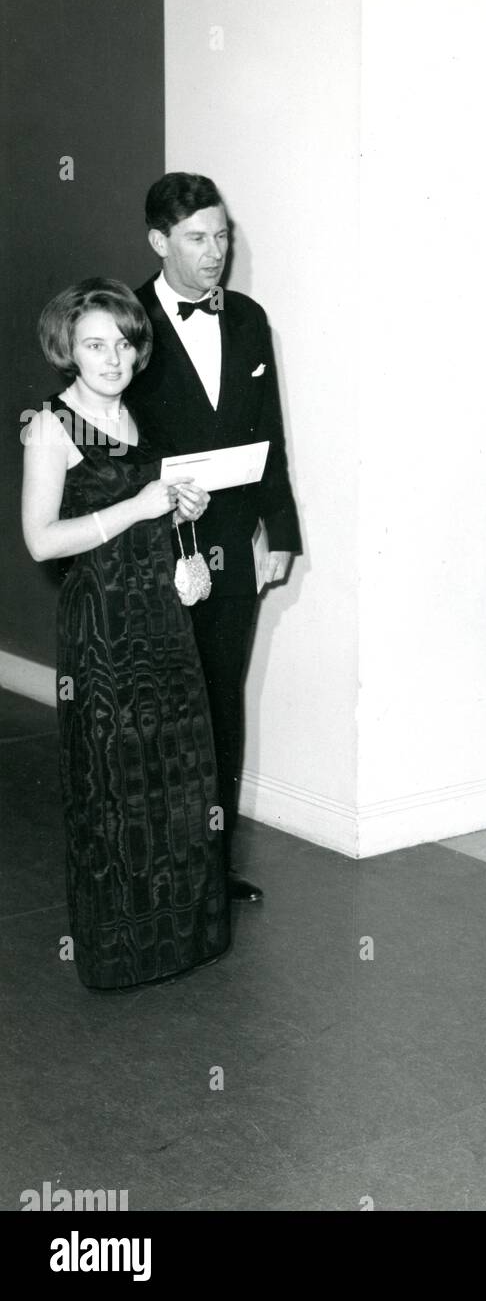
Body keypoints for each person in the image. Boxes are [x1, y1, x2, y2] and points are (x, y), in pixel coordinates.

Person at [21, 279, 229, 990]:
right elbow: (42, 542)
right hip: (103, 625)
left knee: (177, 774)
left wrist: (177, 510)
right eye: (93, 344)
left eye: (123, 343)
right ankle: (120, 952)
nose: (112, 358)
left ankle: (180, 940)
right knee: (113, 785)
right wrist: (137, 506)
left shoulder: (140, 418)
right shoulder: (51, 425)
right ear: (67, 349)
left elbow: (147, 516)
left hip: (162, 619)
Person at [127, 173, 302, 903]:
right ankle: (148, 865)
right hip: (150, 544)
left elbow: (268, 433)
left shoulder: (249, 318)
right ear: (159, 241)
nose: (214, 253)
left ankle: (210, 862)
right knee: (157, 705)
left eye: (222, 235)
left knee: (219, 701)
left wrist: (282, 529)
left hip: (233, 544)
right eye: (197, 238)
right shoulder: (122, 321)